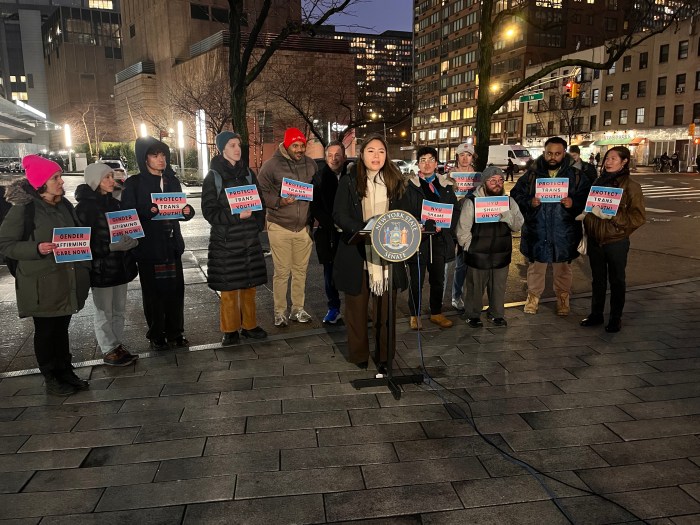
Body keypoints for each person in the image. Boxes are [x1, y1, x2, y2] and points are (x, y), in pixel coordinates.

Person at [0, 155, 91, 395]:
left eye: (60, 176)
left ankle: (65, 371)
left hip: (66, 279)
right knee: (46, 330)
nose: (61, 182)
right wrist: (36, 248)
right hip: (40, 282)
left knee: (61, 327)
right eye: (56, 177)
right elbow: (5, 244)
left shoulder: (64, 204)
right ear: (41, 182)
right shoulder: (24, 208)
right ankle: (51, 376)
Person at [332, 135, 409, 371]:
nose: (376, 156)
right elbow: (339, 214)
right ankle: (359, 356)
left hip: (388, 256)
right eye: (371, 151)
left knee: (385, 313)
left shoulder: (397, 181)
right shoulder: (349, 181)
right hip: (357, 253)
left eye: (381, 152)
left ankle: (385, 357)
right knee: (356, 311)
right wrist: (365, 228)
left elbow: (407, 213)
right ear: (362, 154)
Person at [121, 136, 195, 351]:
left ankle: (176, 332)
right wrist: (147, 211)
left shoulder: (171, 181)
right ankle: (157, 334)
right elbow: (127, 215)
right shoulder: (134, 183)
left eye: (163, 154)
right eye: (155, 155)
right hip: (148, 248)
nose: (161, 159)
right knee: (153, 294)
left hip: (171, 246)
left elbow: (178, 209)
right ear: (145, 159)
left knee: (175, 291)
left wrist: (186, 212)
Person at [511, 136, 592, 316]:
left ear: (564, 154)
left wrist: (574, 203)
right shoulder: (531, 174)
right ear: (544, 153)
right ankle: (533, 298)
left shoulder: (577, 176)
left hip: (564, 231)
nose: (552, 157)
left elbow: (588, 198)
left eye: (557, 153)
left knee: (563, 268)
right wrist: (529, 202)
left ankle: (563, 299)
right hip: (537, 230)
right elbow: (515, 194)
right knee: (536, 268)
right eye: (549, 153)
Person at [202, 131, 268, 346]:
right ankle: (230, 330)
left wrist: (257, 225)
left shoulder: (248, 173)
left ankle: (250, 325)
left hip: (249, 240)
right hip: (226, 242)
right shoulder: (213, 177)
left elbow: (260, 203)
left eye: (238, 144)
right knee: (229, 287)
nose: (237, 149)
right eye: (232, 145)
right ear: (222, 149)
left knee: (249, 285)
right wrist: (235, 216)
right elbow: (210, 212)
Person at [75, 163, 139, 366]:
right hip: (101, 269)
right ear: (95, 182)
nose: (113, 181)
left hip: (121, 266)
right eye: (107, 178)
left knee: (119, 309)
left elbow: (128, 227)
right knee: (104, 311)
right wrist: (110, 248)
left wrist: (134, 240)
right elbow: (83, 244)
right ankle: (108, 349)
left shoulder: (115, 203)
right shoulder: (85, 209)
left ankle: (117, 345)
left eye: (112, 176)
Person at [579, 146, 645, 333]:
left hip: (616, 241)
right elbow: (592, 207)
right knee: (598, 280)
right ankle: (596, 314)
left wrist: (613, 217)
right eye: (607, 158)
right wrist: (587, 216)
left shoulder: (631, 187)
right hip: (595, 240)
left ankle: (615, 318)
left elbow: (638, 218)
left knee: (617, 280)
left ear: (624, 162)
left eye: (613, 159)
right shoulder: (598, 182)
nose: (608, 162)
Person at [258, 127, 317, 327]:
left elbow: (316, 191)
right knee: (282, 271)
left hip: (303, 228)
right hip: (280, 226)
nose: (300, 149)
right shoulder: (271, 165)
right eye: (296, 145)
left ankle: (297, 309)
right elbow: (261, 192)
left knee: (300, 271)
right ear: (286, 145)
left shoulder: (310, 164)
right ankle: (280, 312)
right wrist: (278, 201)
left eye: (302, 145)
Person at [456, 167, 524, 327]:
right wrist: (469, 247)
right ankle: (472, 314)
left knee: (498, 288)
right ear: (484, 183)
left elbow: (518, 225)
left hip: (501, 254)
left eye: (500, 180)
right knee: (474, 288)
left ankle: (497, 314)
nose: (497, 184)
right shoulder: (471, 202)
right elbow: (463, 229)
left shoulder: (509, 202)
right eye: (492, 181)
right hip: (477, 255)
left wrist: (507, 217)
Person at [404, 146, 458, 330]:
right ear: (418, 163)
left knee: (438, 279)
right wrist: (418, 224)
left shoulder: (447, 186)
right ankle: (415, 314)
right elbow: (404, 211)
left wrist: (446, 227)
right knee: (416, 279)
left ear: (436, 163)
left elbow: (455, 211)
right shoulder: (409, 185)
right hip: (418, 240)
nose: (426, 163)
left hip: (440, 240)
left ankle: (436, 312)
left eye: (430, 159)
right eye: (422, 160)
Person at [311, 141, 347, 325]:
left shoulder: (353, 176)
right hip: (328, 234)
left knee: (353, 272)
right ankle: (333, 308)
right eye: (330, 155)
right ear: (325, 157)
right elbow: (314, 206)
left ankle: (358, 307)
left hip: (350, 233)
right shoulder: (318, 178)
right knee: (329, 274)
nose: (334, 159)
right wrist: (331, 223)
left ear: (344, 157)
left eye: (337, 155)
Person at [447, 143, 478, 314]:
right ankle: (456, 295)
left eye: (469, 155)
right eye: (462, 155)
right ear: (457, 156)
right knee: (458, 263)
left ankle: (471, 296)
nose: (465, 158)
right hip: (455, 222)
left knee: (470, 262)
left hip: (473, 223)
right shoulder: (449, 176)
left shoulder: (479, 176)